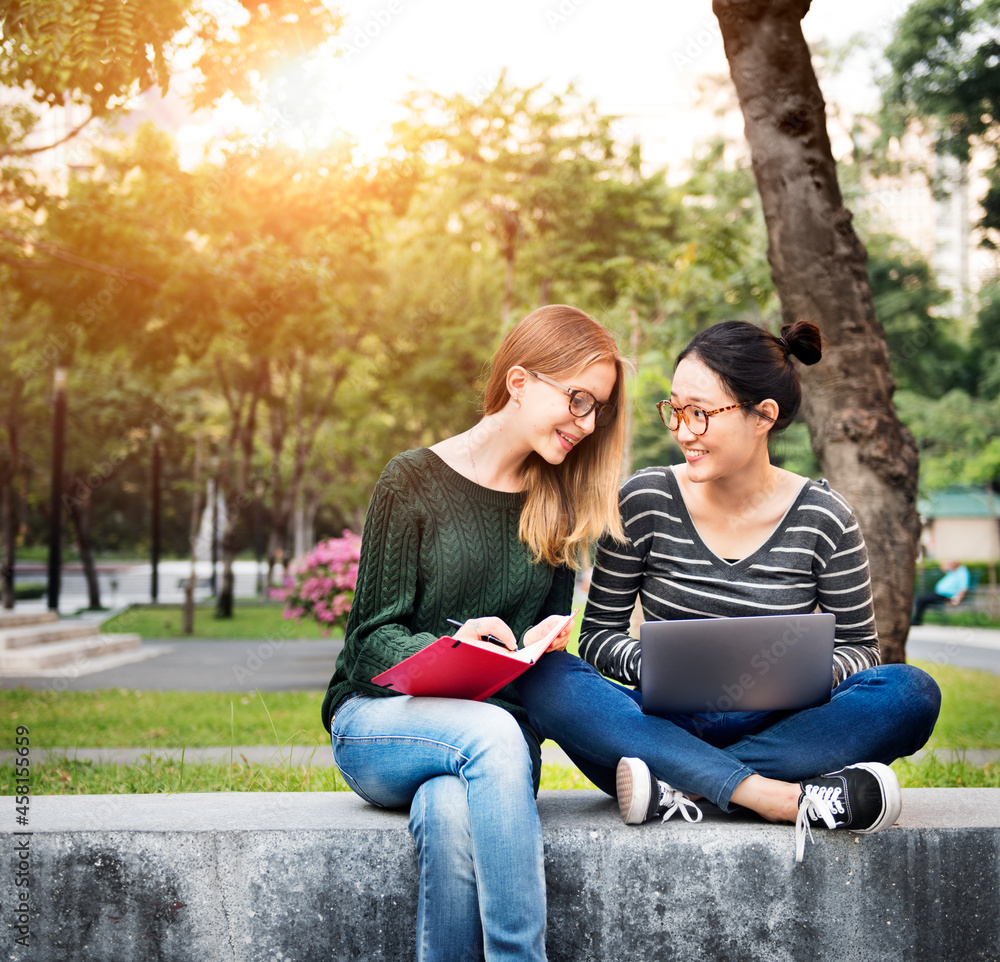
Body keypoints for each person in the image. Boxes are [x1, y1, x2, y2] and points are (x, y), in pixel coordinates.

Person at [515, 320, 941, 862]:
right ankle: (772, 795)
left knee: (911, 693)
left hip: (777, 727)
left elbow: (860, 651)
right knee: (548, 677)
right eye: (675, 411)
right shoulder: (644, 499)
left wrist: (796, 675)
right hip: (658, 721)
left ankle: (682, 788)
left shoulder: (824, 517)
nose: (683, 430)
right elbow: (598, 636)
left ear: (763, 415)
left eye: (701, 413)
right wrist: (660, 666)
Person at [321, 304, 630, 961]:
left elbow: (534, 673)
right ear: (520, 382)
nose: (588, 422)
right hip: (380, 725)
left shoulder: (553, 507)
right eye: (578, 400)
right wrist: (453, 653)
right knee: (487, 734)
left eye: (597, 408)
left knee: (450, 811)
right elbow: (371, 639)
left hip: (492, 748)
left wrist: (531, 654)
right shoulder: (410, 482)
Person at [912, 560, 971, 625]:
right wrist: (949, 564)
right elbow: (942, 567)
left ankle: (917, 620)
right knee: (922, 599)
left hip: (947, 595)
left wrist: (957, 600)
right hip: (940, 594)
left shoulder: (962, 572)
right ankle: (917, 619)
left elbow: (964, 587)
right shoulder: (954, 570)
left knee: (921, 600)